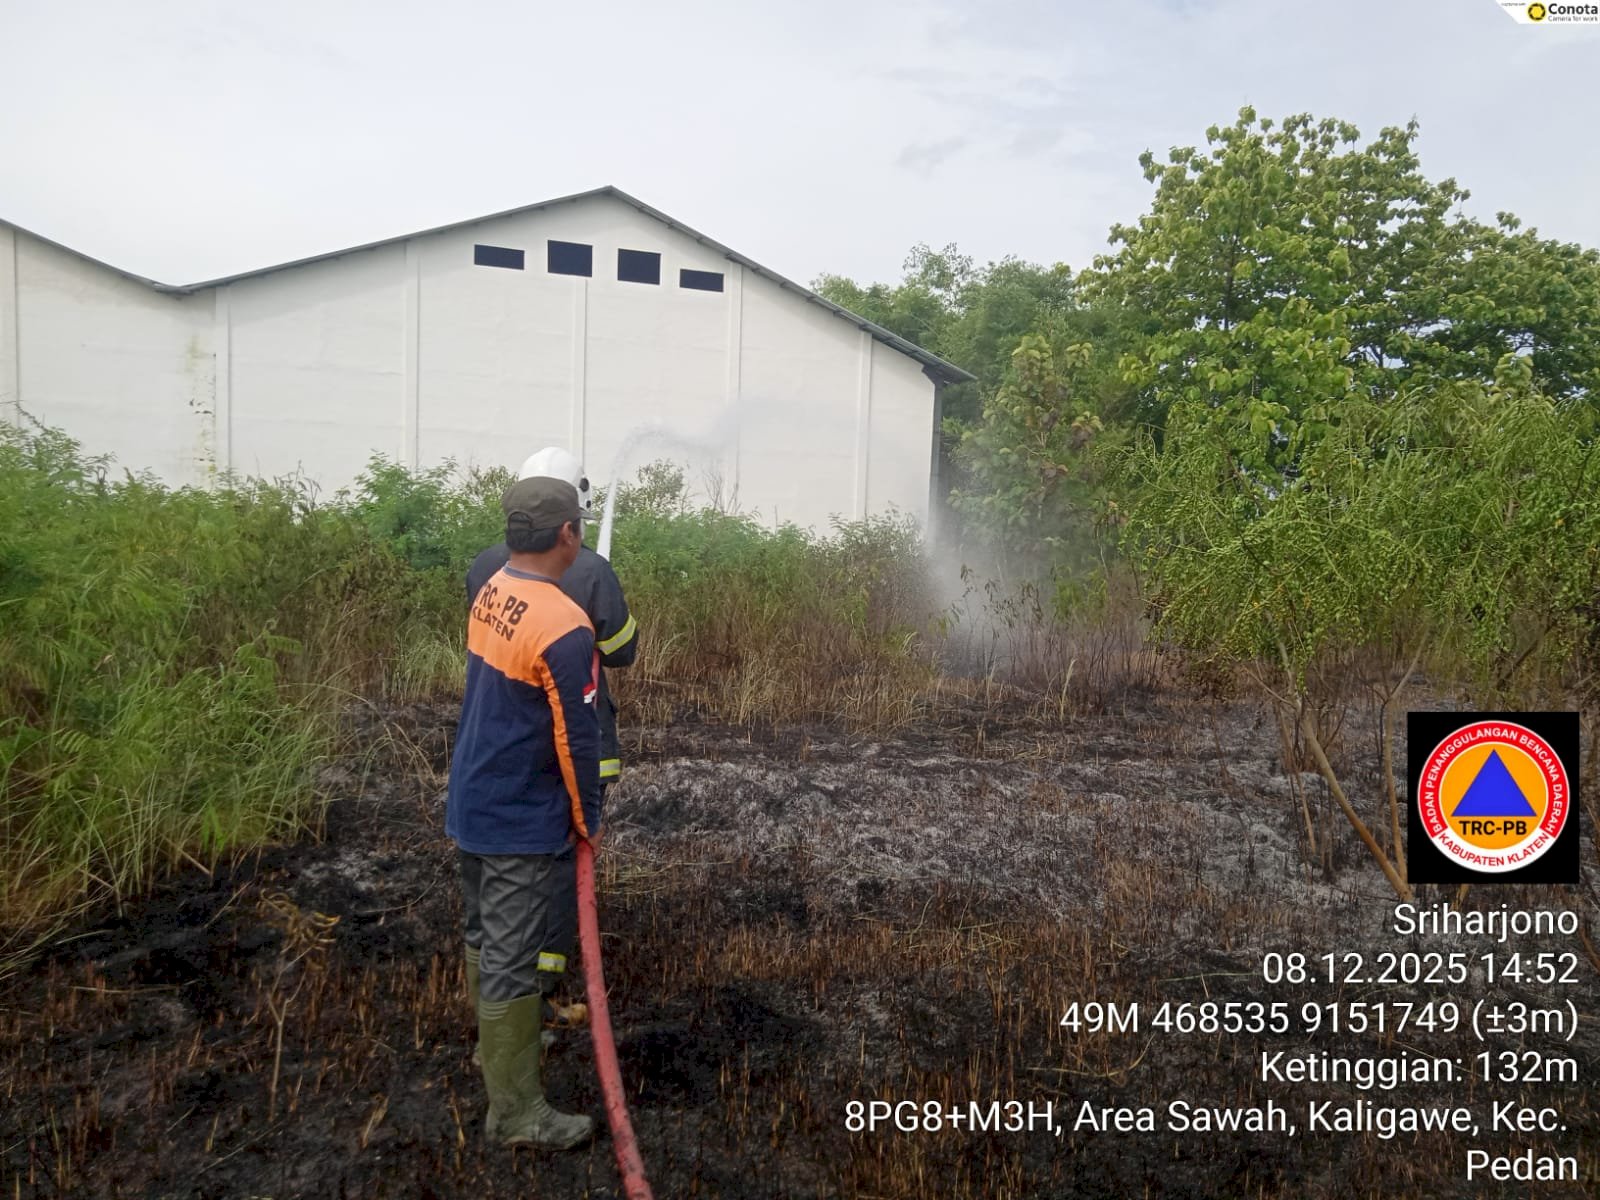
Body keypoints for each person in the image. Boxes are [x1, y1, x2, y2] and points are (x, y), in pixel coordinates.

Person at [446, 475, 599, 1150]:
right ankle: (515, 1115)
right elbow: (576, 739)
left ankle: (496, 1051)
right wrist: (587, 819)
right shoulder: (564, 625)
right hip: (518, 814)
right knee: (510, 957)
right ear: (567, 533)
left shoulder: (493, 588)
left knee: (483, 937)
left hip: (473, 796)